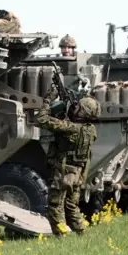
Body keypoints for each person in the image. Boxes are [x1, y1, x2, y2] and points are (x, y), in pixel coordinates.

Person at [34, 87, 100, 237]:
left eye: (78, 108)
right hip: (78, 173)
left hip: (65, 172)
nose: (75, 109)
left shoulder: (72, 128)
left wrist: (47, 100)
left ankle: (60, 236)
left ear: (83, 113)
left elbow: (41, 119)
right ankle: (82, 233)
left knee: (55, 205)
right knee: (71, 206)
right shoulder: (91, 130)